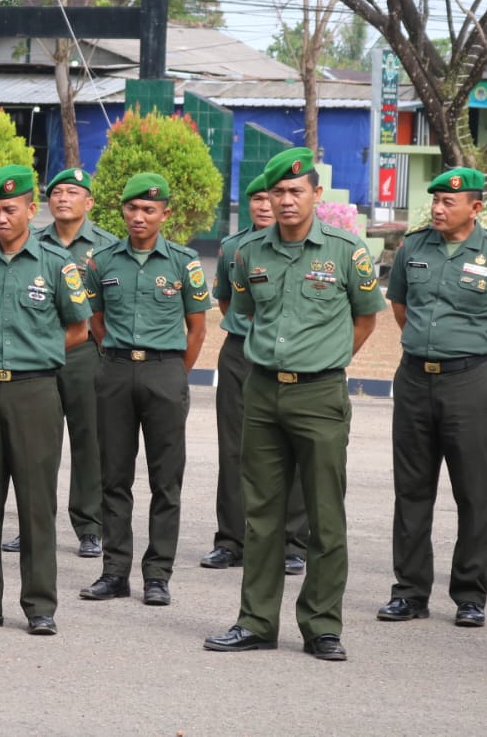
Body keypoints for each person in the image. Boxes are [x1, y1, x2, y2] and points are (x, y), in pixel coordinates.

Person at [203, 147, 385, 659]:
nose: (285, 200)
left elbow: (367, 318)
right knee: (261, 515)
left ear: (316, 195)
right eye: (277, 192)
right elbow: (235, 309)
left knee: (326, 517)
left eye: (295, 191)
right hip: (261, 391)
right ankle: (257, 621)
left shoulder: (346, 252)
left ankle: (322, 626)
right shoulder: (247, 254)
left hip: (319, 393)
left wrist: (327, 360)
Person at [0, 165, 91, 636]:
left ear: (32, 208)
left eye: (11, 208)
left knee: (34, 502)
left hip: (35, 392)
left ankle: (40, 605)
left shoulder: (56, 265)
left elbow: (78, 329)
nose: (1, 217)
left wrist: (36, 354)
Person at [379, 167, 487, 628]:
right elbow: (400, 308)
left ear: (475, 208)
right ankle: (410, 592)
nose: (439, 209)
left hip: (469, 381)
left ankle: (469, 594)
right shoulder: (412, 248)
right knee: (412, 489)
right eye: (435, 200)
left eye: (449, 202)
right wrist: (429, 348)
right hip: (415, 380)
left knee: (473, 491)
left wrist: (472, 358)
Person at [78, 173, 207, 608]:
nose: (139, 216)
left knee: (165, 480)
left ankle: (157, 574)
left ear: (164, 214)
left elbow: (197, 328)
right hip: (114, 371)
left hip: (165, 373)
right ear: (122, 211)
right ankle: (114, 572)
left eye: (149, 210)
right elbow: (94, 319)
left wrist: (172, 373)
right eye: (132, 208)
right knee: (114, 477)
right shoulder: (102, 262)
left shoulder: (184, 262)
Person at [205, 171, 310, 576]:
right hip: (240, 355)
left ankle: (292, 544)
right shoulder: (234, 248)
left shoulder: (308, 246)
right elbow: (226, 303)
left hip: (292, 357)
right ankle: (231, 540)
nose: (265, 206)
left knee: (295, 451)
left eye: (271, 198)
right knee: (233, 448)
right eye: (257, 199)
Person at [9, 167, 115, 559]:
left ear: (88, 202)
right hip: (37, 355)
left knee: (89, 441)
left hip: (86, 354)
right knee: (34, 446)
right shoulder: (29, 241)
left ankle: (90, 526)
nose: (63, 198)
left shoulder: (106, 248)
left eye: (73, 192)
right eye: (56, 192)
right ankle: (33, 525)